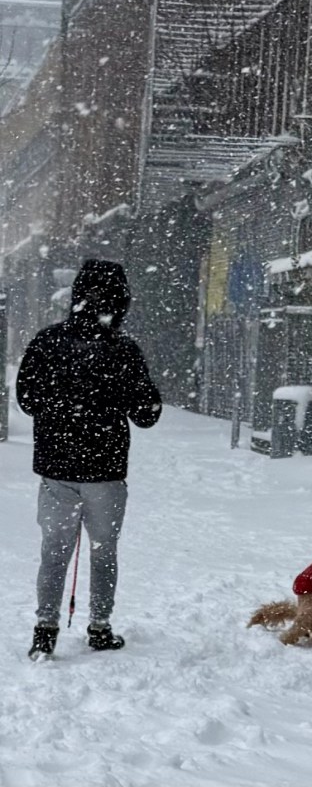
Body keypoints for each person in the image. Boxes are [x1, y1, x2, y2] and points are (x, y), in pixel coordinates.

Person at [17, 259, 162, 660]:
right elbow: (147, 414)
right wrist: (116, 395)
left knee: (54, 551)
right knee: (103, 550)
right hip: (105, 472)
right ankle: (99, 626)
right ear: (121, 302)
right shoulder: (123, 351)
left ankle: (45, 630)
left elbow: (26, 401)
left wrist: (61, 405)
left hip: (56, 469)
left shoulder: (46, 342)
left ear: (75, 297)